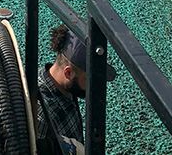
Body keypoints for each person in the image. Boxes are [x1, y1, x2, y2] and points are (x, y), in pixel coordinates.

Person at [37, 24, 116, 154]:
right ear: (68, 73)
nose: (94, 86)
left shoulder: (65, 88)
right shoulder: (41, 112)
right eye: (89, 79)